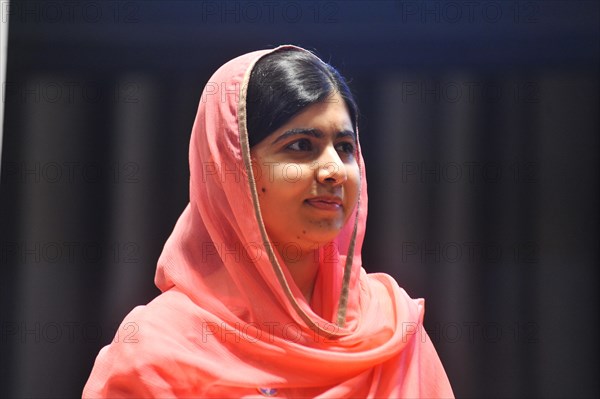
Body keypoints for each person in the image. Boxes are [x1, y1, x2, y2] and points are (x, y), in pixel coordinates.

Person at [83, 45, 454, 398]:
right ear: (234, 167)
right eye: (301, 145)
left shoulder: (392, 328)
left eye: (344, 147)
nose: (334, 171)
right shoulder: (157, 349)